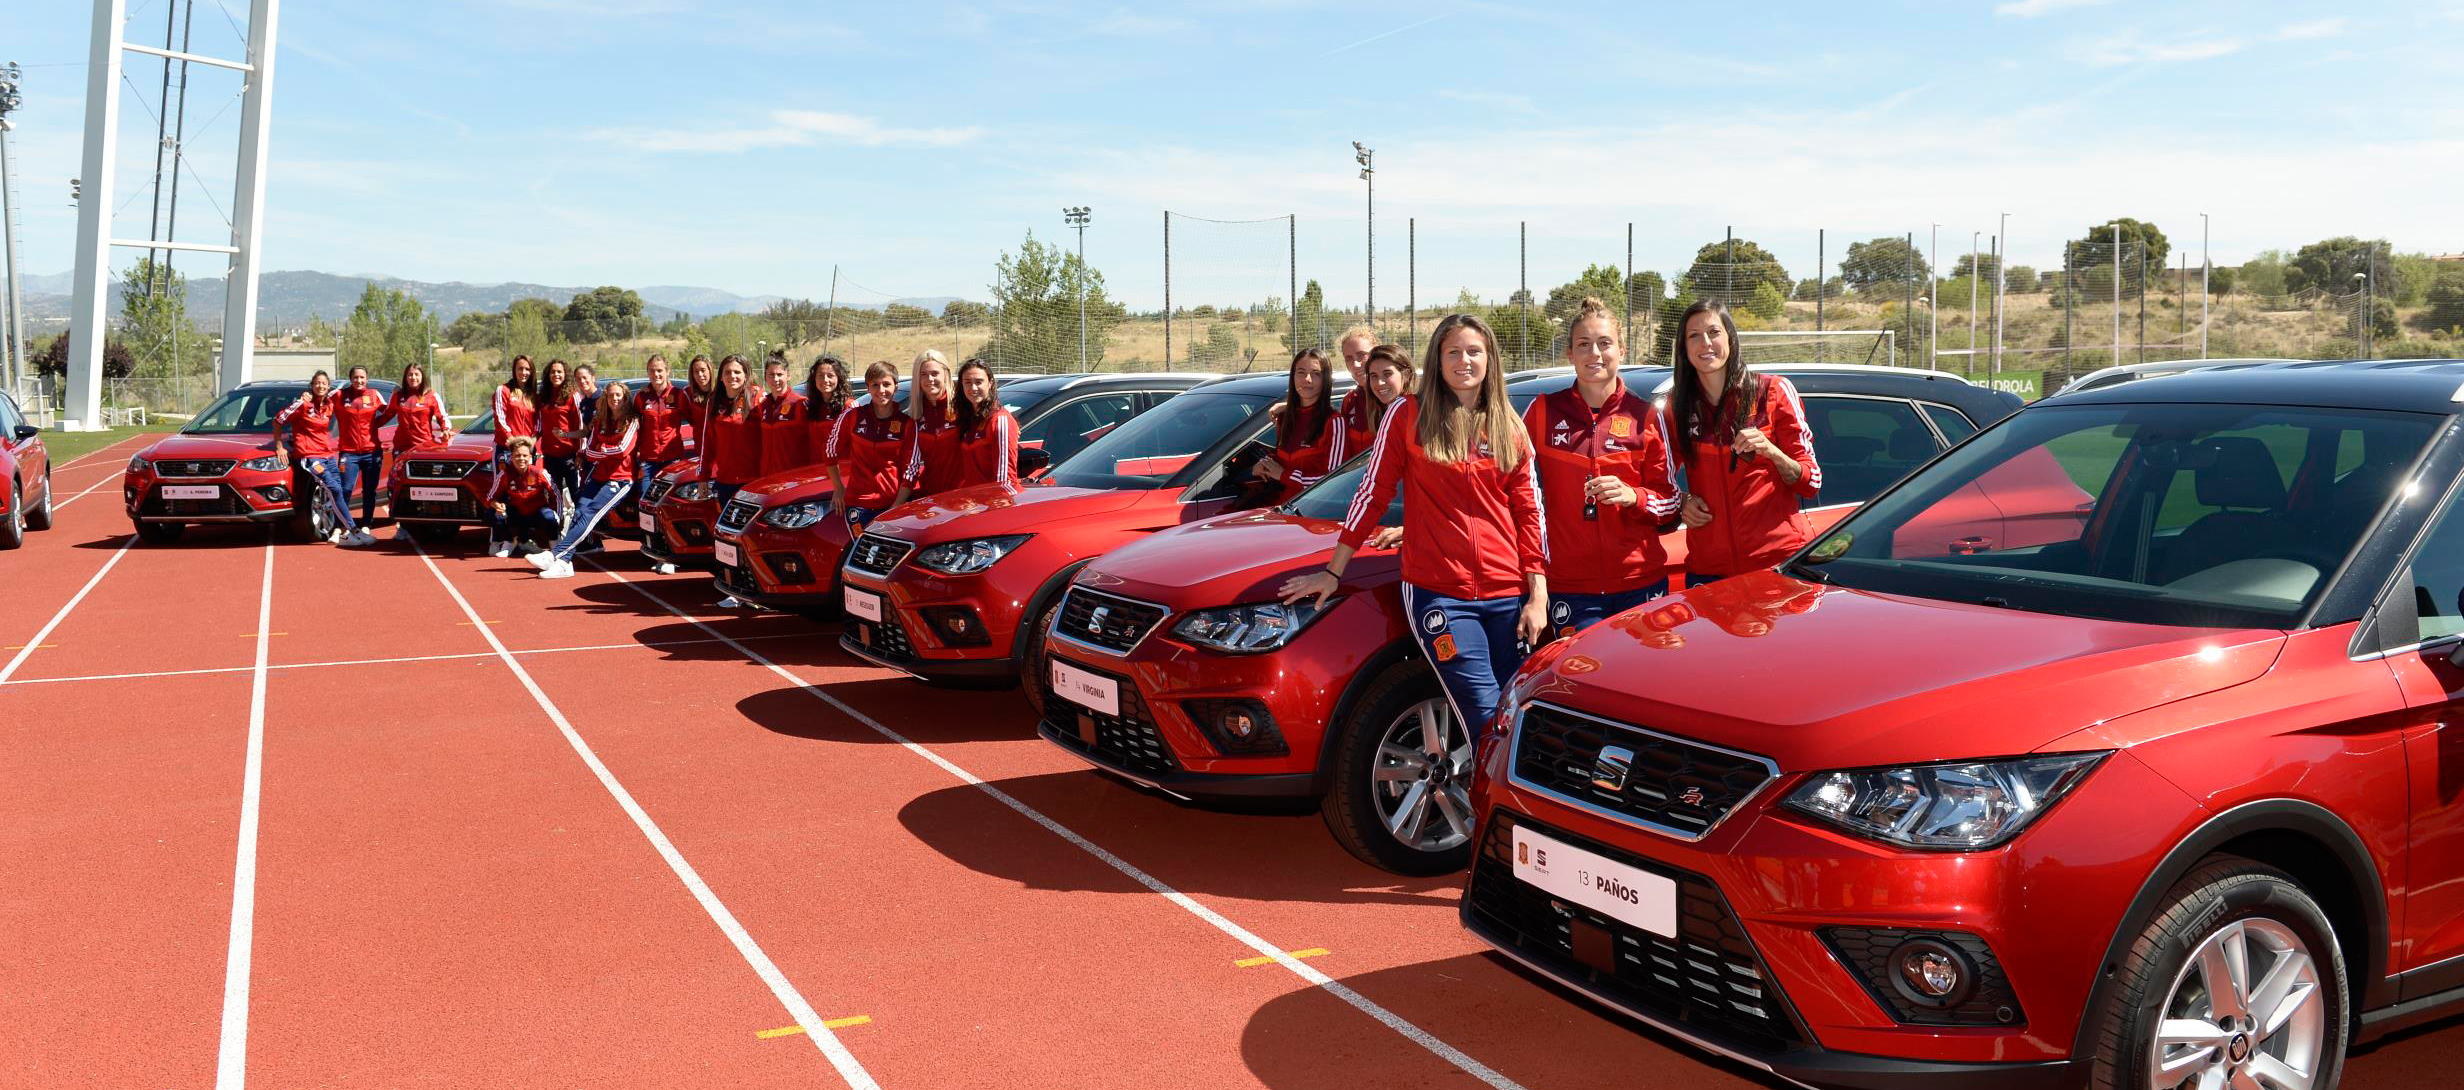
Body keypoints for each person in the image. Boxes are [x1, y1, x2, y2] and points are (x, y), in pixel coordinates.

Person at [1281, 313, 1546, 740]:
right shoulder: (1409, 413)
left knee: (1513, 711)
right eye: (1453, 352)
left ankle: (1499, 800)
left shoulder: (1508, 426)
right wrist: (1334, 570)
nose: (1464, 361)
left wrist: (1538, 594)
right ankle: (1490, 804)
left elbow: (1529, 511)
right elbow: (1373, 493)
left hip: (1508, 595)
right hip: (1439, 593)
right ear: (1437, 360)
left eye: (1474, 351)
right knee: (1484, 714)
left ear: (1490, 359)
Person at [1524, 297, 1677, 637]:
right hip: (1570, 587)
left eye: (1604, 343)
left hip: (1640, 583)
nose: (1594, 353)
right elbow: (1504, 484)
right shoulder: (1543, 411)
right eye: (1584, 344)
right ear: (1570, 354)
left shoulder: (1646, 416)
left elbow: (1670, 503)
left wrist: (1632, 496)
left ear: (1621, 349)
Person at [1669, 300, 1821, 581]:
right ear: (1684, 347)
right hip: (1707, 571)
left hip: (1776, 565)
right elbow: (1658, 482)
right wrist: (1683, 501)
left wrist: (1772, 452)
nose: (1705, 343)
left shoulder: (1773, 391)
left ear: (1730, 337)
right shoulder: (1675, 406)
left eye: (1714, 332)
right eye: (1694, 336)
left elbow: (1811, 482)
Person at [533, 382, 639, 579]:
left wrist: (601, 451)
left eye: (619, 396)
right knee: (579, 511)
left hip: (620, 479)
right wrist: (601, 452)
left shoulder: (631, 421)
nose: (615, 399)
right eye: (611, 396)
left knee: (589, 513)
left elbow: (623, 450)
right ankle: (565, 563)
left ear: (625, 399)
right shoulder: (600, 421)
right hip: (598, 475)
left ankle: (555, 555)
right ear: (606, 399)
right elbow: (589, 448)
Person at [273, 369, 377, 547]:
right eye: (317, 383)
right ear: (312, 386)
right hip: (310, 458)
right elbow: (277, 421)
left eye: (324, 383)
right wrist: (279, 446)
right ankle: (353, 530)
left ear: (328, 387)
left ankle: (347, 532)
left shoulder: (329, 404)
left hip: (328, 455)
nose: (320, 386)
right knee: (335, 489)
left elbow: (350, 403)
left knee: (340, 492)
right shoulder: (302, 404)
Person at [825, 361, 910, 530]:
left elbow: (911, 469)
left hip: (891, 505)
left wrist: (897, 506)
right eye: (875, 385)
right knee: (861, 554)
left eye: (886, 384)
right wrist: (838, 487)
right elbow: (830, 451)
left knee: (885, 557)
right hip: (858, 504)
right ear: (867, 388)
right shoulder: (852, 416)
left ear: (896, 386)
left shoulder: (906, 423)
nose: (881, 390)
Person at [380, 362, 454, 540]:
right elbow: (386, 415)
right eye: (410, 375)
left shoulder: (431, 396)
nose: (413, 378)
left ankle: (428, 523)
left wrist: (446, 429)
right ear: (405, 377)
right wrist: (367, 426)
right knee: (399, 487)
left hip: (424, 450)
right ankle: (403, 525)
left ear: (422, 377)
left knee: (424, 488)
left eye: (416, 375)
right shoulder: (398, 396)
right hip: (401, 449)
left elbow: (443, 417)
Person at [1253, 347, 1335, 502]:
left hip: (1313, 514)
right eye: (1301, 372)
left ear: (1325, 379)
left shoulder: (1334, 422)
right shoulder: (1284, 417)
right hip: (1282, 510)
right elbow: (1283, 459)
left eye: (1316, 374)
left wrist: (1284, 475)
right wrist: (1264, 464)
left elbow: (1333, 481)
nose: (1307, 379)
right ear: (1293, 377)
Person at [890, 349, 959, 507]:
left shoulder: (962, 408)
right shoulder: (915, 417)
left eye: (935, 373)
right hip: (931, 499)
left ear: (945, 374)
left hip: (963, 499)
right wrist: (895, 506)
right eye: (923, 374)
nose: (930, 379)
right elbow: (912, 466)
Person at [696, 354, 766, 504]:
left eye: (737, 372)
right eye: (727, 372)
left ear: (746, 375)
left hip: (754, 481)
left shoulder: (757, 397)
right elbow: (707, 443)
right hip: (725, 481)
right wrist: (703, 477)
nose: (732, 376)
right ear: (720, 377)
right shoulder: (713, 402)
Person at [1332, 342, 1415, 468]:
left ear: (1407, 374)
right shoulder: (1361, 405)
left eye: (1387, 374)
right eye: (1374, 376)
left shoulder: (1421, 414)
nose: (1380, 383)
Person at [330, 365, 390, 529]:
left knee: (369, 491)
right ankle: (339, 526)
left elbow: (390, 411)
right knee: (346, 489)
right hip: (348, 453)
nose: (359, 380)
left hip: (372, 452)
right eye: (356, 377)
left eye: (362, 377)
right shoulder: (339, 395)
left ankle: (366, 525)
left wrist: (375, 424)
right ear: (350, 379)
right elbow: (321, 404)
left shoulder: (374, 395)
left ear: (367, 379)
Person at [947, 358, 1018, 489]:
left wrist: (996, 506)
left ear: (990, 383)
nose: (973, 388)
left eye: (979, 382)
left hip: (993, 503)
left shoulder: (1000, 420)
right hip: (972, 502)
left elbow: (1005, 478)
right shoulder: (967, 419)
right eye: (967, 382)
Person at [486, 437, 561, 558]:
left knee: (549, 517)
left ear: (530, 457)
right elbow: (491, 497)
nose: (521, 459)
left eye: (525, 456)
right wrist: (497, 505)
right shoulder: (504, 474)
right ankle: (510, 541)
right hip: (517, 514)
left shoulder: (540, 473)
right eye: (517, 455)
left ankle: (555, 543)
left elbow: (556, 495)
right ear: (511, 457)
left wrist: (558, 515)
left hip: (537, 513)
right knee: (491, 513)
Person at [632, 353, 688, 485]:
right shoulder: (641, 397)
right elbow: (633, 424)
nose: (656, 374)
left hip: (673, 458)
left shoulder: (679, 394)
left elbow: (693, 419)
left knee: (667, 502)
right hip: (648, 459)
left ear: (667, 371)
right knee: (646, 498)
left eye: (659, 370)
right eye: (652, 370)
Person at [535, 358, 583, 502]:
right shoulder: (543, 396)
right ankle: (557, 523)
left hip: (569, 456)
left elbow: (581, 426)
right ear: (548, 375)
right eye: (553, 372)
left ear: (565, 374)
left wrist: (580, 453)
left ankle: (580, 524)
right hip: (550, 455)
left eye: (559, 372)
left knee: (576, 495)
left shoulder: (573, 395)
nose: (556, 375)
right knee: (554, 496)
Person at [756, 354, 809, 479]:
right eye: (771, 375)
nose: (775, 379)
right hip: (766, 477)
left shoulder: (800, 403)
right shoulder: (763, 405)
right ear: (765, 377)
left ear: (788, 375)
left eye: (780, 374)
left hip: (792, 479)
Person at [802, 354, 850, 465]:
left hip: (840, 473)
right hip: (815, 472)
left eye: (830, 375)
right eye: (820, 375)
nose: (825, 380)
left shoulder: (849, 407)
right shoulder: (809, 406)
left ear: (839, 378)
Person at [492, 354, 538, 466]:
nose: (524, 372)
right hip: (506, 448)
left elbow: (538, 424)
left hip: (527, 450)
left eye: (527, 369)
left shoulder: (535, 395)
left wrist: (531, 442)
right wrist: (512, 441)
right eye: (520, 369)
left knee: (528, 483)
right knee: (504, 483)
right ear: (514, 370)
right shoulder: (503, 390)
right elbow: (500, 419)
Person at [679, 354, 716, 457]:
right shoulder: (687, 393)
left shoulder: (722, 390)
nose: (700, 374)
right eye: (696, 371)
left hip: (722, 445)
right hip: (701, 446)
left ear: (710, 370)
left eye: (703, 370)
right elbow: (689, 418)